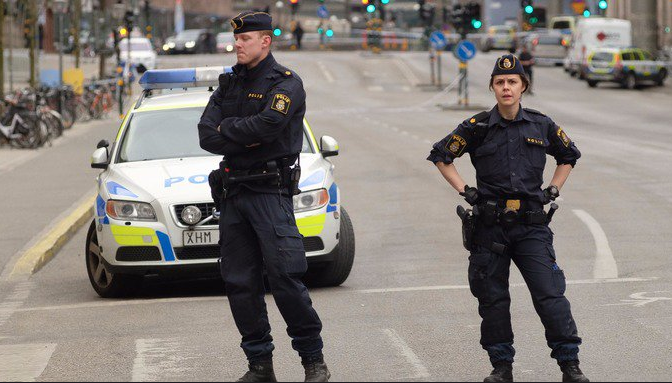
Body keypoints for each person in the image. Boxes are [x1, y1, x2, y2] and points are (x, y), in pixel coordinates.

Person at [426, 54, 589, 383]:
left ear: (523, 86)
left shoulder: (541, 125)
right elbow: (441, 156)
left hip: (531, 225)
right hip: (490, 227)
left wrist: (552, 190)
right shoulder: (478, 127)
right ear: (492, 87)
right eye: (500, 83)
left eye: (512, 82)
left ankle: (570, 365)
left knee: (549, 295)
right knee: (493, 299)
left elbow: (568, 155)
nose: (506, 87)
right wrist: (466, 191)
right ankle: (502, 367)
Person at [198, 11, 330, 383]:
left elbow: (270, 126)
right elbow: (206, 135)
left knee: (286, 279)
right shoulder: (228, 84)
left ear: (265, 41)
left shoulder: (286, 83)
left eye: (245, 39)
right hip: (234, 193)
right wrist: (244, 133)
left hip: (270, 193)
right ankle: (260, 365)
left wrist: (230, 129)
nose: (237, 43)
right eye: (236, 39)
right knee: (240, 283)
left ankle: (313, 361)